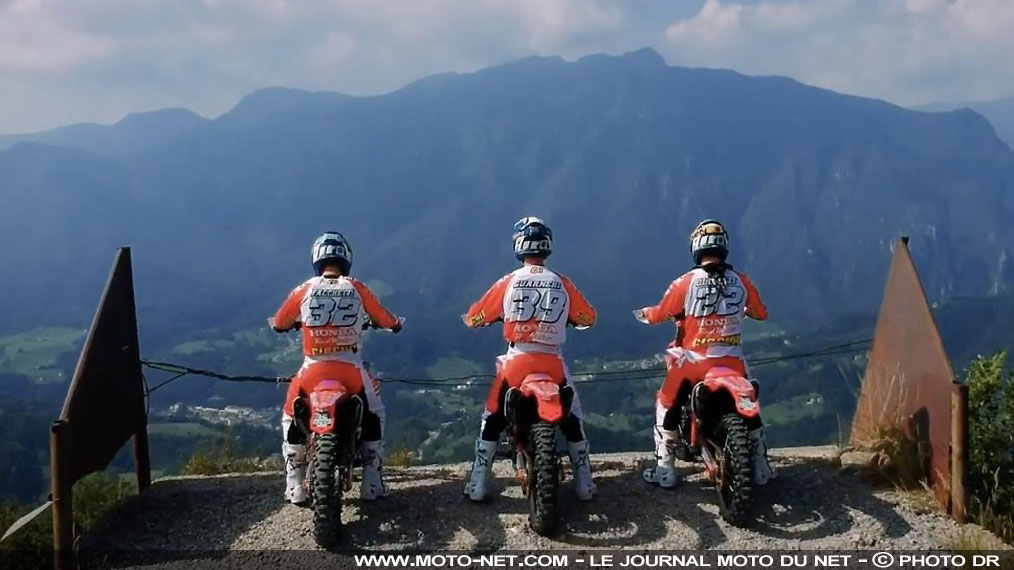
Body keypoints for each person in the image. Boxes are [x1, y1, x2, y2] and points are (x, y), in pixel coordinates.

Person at [461, 217, 598, 502]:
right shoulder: (562, 282)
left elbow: (475, 317)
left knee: (492, 417)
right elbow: (588, 317)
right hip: (552, 361)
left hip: (517, 360)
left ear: (518, 245)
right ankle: (584, 482)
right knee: (574, 417)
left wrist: (479, 318)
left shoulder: (509, 281)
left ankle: (477, 483)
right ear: (547, 245)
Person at [634, 219, 775, 488]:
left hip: (694, 362)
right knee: (751, 404)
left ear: (696, 249)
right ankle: (762, 466)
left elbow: (661, 313)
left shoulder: (685, 282)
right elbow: (761, 313)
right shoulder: (742, 280)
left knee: (666, 402)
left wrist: (645, 314)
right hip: (732, 361)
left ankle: (665, 468)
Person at [270, 231, 403, 505]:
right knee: (375, 412)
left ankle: (294, 482)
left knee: (289, 414)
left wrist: (294, 324)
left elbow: (279, 322)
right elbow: (385, 318)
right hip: (351, 370)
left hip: (312, 370)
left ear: (316, 260)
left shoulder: (304, 289)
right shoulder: (356, 287)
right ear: (346, 259)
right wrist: (395, 324)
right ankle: (372, 479)